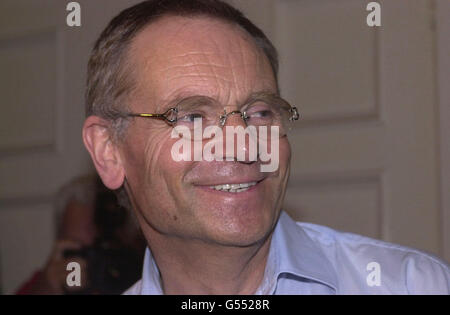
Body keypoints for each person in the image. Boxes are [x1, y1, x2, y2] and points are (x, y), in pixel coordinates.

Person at [82, 0, 450, 294]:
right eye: (193, 118)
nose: (244, 147)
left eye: (259, 112)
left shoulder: (414, 285)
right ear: (108, 150)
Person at [16, 175, 145, 295]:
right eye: (82, 252)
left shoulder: (151, 280)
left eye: (103, 249)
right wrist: (46, 289)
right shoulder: (54, 279)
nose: (92, 265)